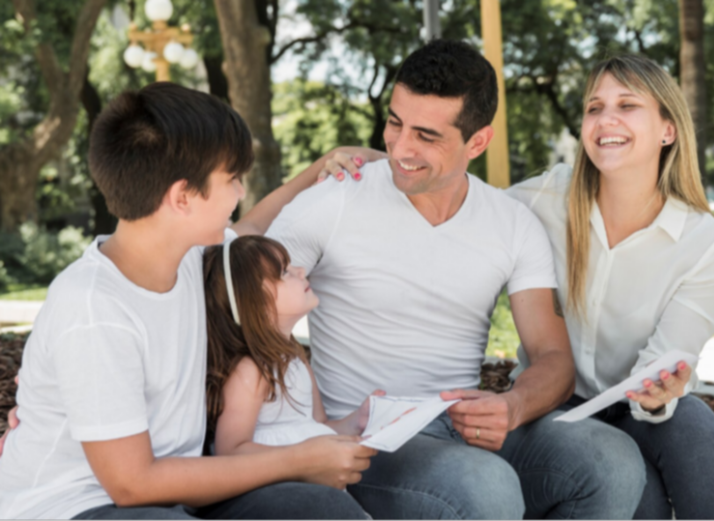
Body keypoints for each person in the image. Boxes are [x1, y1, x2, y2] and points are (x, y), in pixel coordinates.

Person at [265, 39, 646, 519]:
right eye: (395, 123)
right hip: (367, 438)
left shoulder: (511, 222)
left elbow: (553, 358)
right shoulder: (336, 198)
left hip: (461, 426)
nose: (401, 147)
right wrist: (313, 426)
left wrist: (512, 405)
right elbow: (246, 303)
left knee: (611, 462)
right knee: (483, 486)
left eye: (426, 136)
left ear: (478, 142)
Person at [0, 83, 379, 520]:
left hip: (178, 492)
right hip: (79, 506)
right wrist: (299, 460)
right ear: (182, 197)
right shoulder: (92, 309)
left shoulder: (190, 259)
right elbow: (133, 485)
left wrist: (328, 163)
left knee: (321, 510)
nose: (241, 193)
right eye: (232, 179)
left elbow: (257, 224)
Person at [504, 54, 714, 519]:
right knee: (643, 497)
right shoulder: (547, 199)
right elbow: (461, 204)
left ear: (668, 130)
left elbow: (667, 361)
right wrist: (373, 163)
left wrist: (659, 393)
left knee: (692, 421)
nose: (605, 119)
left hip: (635, 409)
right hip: (551, 408)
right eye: (594, 107)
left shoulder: (706, 243)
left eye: (627, 105)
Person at [203, 234, 383, 459]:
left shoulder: (295, 357)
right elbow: (230, 451)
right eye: (284, 272)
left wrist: (358, 421)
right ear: (255, 303)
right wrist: (299, 459)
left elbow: (318, 427)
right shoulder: (252, 371)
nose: (301, 270)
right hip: (281, 479)